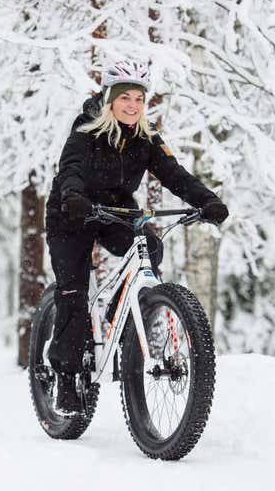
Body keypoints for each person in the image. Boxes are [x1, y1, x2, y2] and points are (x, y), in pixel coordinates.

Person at [44, 58, 229, 414]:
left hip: (116, 212)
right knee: (73, 291)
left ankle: (127, 312)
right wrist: (73, 196)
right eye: (125, 97)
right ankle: (66, 379)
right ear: (110, 99)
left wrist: (207, 201)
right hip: (72, 213)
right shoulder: (85, 132)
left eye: (139, 99)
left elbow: (176, 175)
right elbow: (70, 171)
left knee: (151, 249)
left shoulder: (146, 138)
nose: (132, 105)